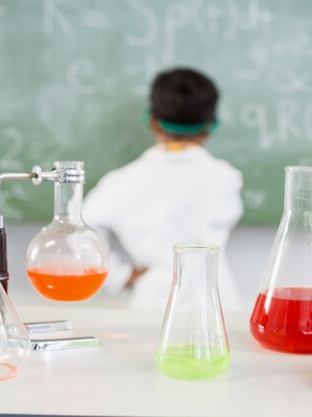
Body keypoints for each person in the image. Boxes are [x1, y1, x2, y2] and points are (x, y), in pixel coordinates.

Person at [83, 68, 243, 310]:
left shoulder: (121, 182)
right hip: (218, 304)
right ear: (211, 125)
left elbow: (79, 230)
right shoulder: (226, 178)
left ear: (152, 121)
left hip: (155, 305)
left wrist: (120, 276)